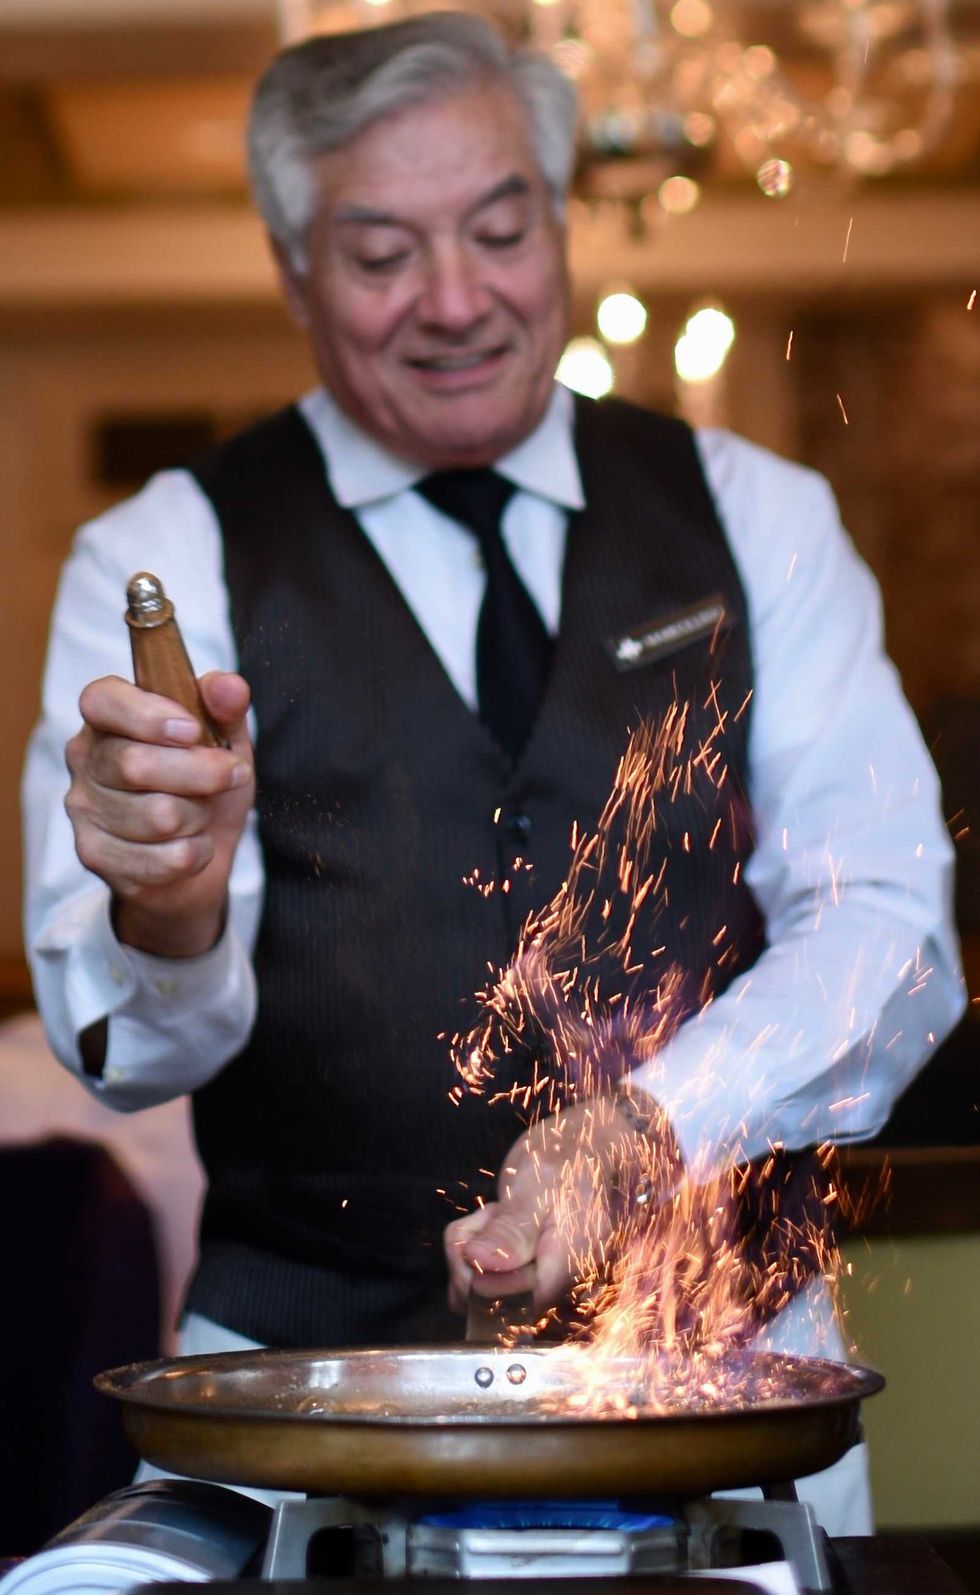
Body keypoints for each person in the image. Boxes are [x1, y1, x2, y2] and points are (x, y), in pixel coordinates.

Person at [23, 12, 962, 1533]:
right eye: (383, 252)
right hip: (300, 1414)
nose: (455, 300)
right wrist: (170, 914)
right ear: (291, 271)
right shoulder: (160, 553)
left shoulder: (756, 512)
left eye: (501, 229)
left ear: (561, 221)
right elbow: (139, 1053)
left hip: (717, 1382)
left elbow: (894, 938)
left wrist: (648, 1127)